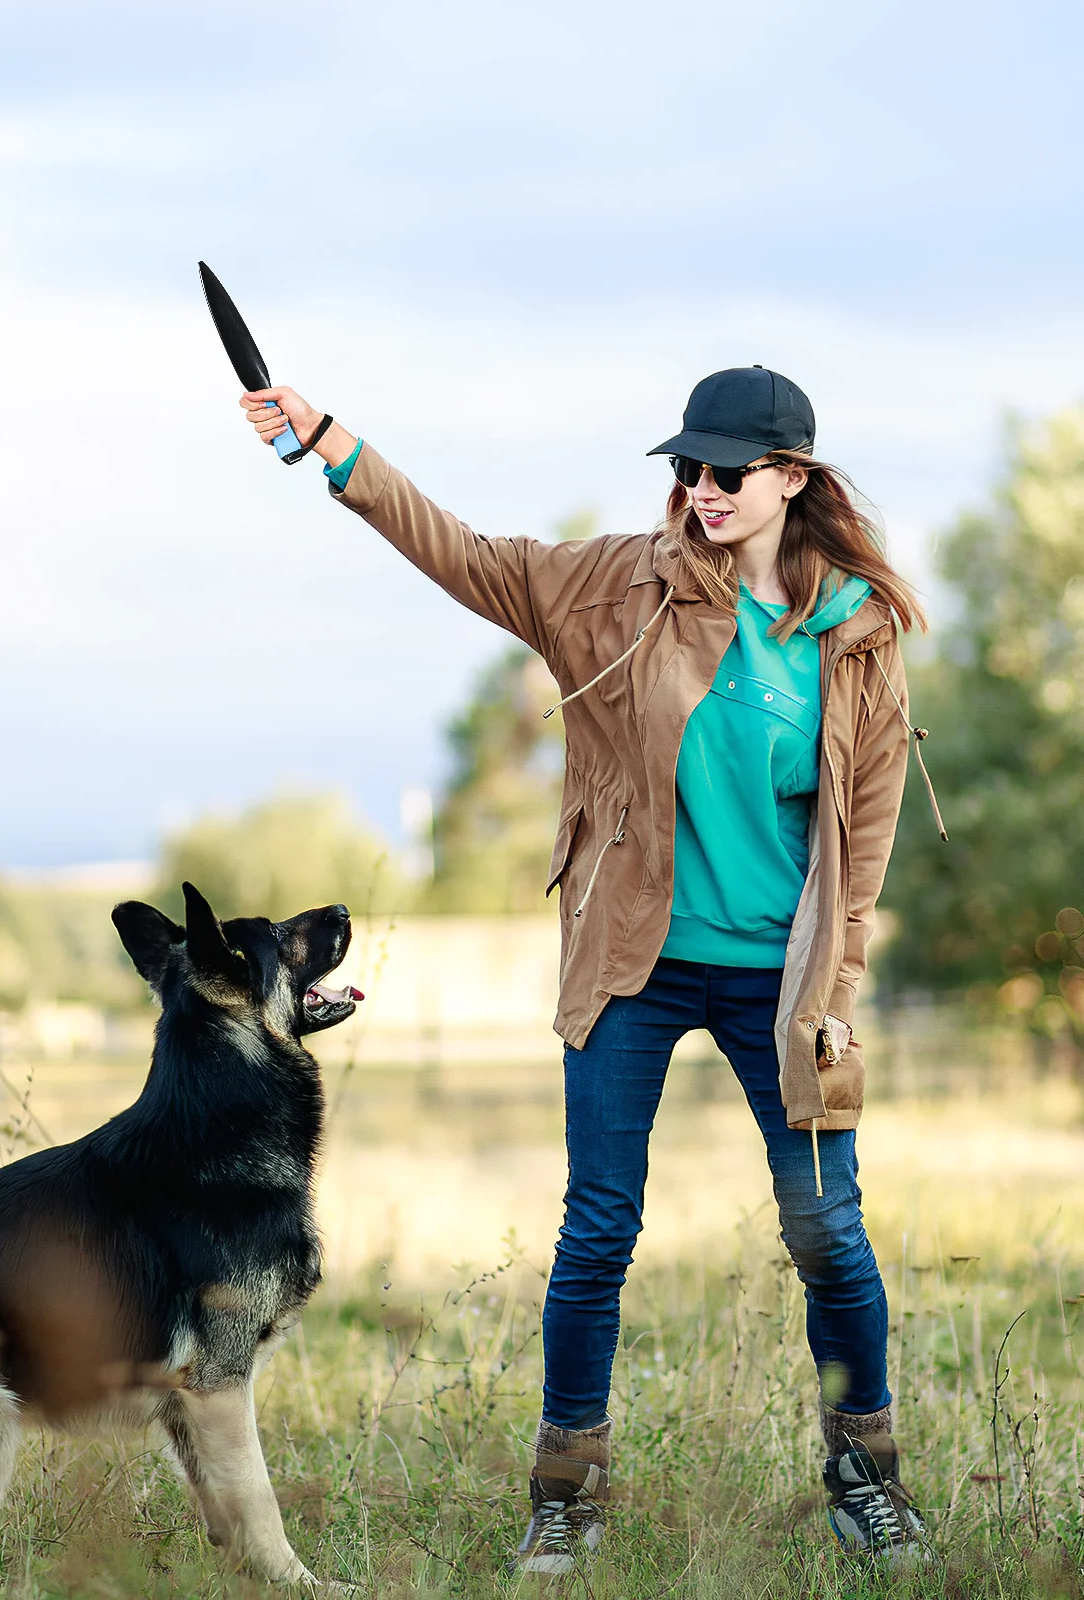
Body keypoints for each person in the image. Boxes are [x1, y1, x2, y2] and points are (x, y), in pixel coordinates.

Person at [238, 367, 942, 1576]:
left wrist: (832, 997)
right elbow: (463, 554)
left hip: (781, 983)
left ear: (792, 480)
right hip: (633, 962)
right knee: (598, 1230)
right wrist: (332, 448)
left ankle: (864, 1477)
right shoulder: (614, 585)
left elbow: (862, 842)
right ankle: (565, 1492)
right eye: (686, 469)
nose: (702, 491)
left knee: (828, 1231)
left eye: (728, 473)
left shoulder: (859, 635)